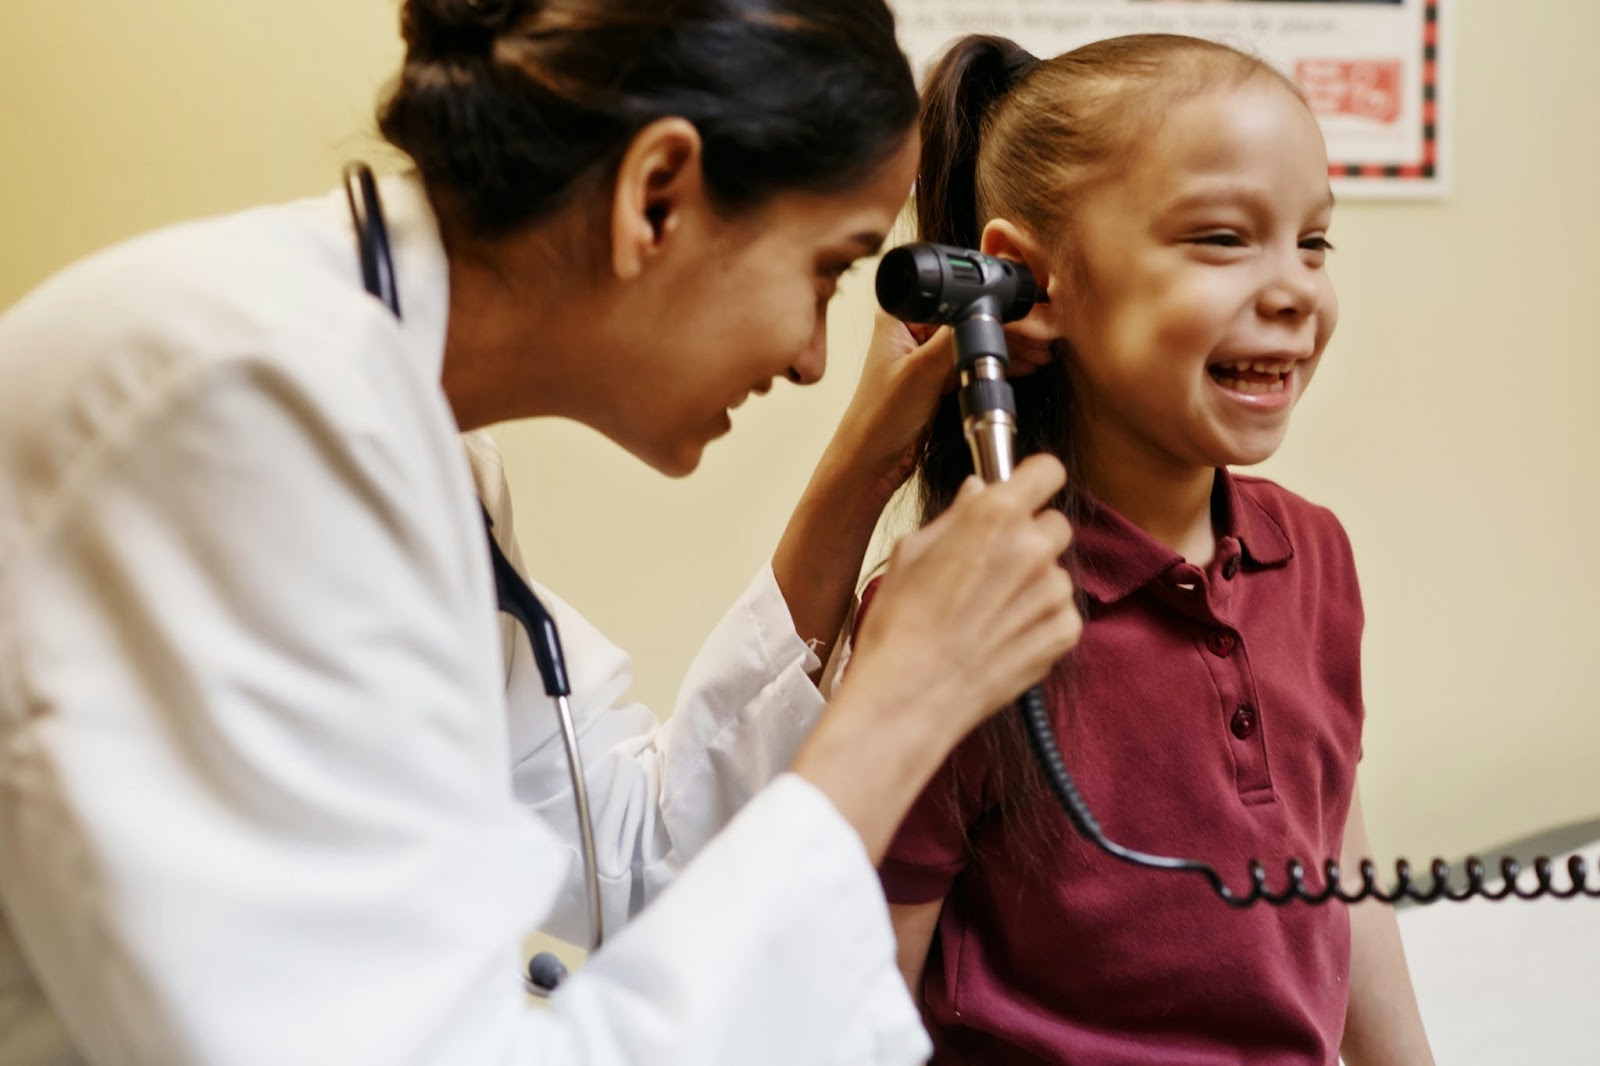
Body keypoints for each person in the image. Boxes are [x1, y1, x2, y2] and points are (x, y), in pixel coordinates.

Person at [0, 3, 1083, 1063]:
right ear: (655, 197)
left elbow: (638, 855)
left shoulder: (412, 444)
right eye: (827, 269)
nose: (812, 356)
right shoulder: (232, 417)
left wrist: (861, 471)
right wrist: (904, 702)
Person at [852, 32, 1434, 1065]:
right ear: (1031, 284)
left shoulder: (1316, 557)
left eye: (1312, 243)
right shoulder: (957, 608)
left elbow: (1331, 848)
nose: (1294, 287)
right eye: (1220, 238)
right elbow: (858, 997)